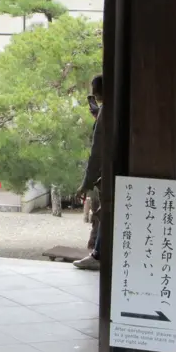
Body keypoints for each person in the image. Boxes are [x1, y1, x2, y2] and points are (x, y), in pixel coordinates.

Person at [74, 75, 103, 271]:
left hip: (112, 172)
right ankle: (98, 252)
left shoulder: (106, 112)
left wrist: (86, 182)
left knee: (106, 214)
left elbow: (97, 152)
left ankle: (98, 254)